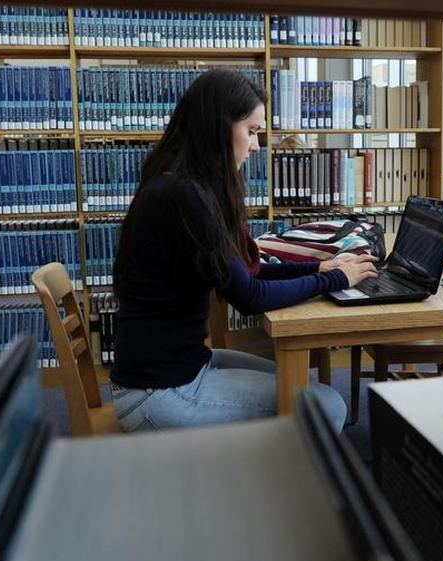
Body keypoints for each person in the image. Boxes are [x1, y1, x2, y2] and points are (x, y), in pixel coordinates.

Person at [110, 69, 377, 432]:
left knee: (305, 385)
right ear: (218, 128)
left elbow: (246, 273)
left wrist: (320, 269)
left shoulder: (180, 183)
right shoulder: (185, 196)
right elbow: (250, 296)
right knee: (325, 405)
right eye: (251, 131)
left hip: (179, 366)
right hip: (158, 391)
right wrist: (333, 279)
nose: (256, 145)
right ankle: (253, 484)